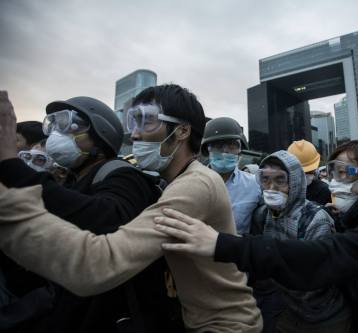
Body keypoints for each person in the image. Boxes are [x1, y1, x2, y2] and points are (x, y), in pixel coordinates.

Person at [0, 86, 263, 332]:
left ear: (182, 131)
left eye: (146, 120)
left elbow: (101, 263)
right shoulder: (174, 181)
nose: (135, 133)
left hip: (225, 325)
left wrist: (10, 176)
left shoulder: (197, 184)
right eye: (132, 122)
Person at [155, 140, 358, 333]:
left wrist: (222, 244)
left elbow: (322, 258)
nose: (333, 181)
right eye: (331, 171)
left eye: (342, 172)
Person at [0, 92, 178, 332]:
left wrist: (13, 167)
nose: (56, 135)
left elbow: (108, 218)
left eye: (68, 126)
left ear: (99, 134)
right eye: (52, 126)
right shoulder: (73, 180)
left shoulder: (122, 174)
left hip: (111, 315)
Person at [251, 150, 350, 333]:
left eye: (280, 180)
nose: (271, 187)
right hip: (287, 310)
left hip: (323, 314)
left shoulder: (315, 218)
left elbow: (317, 277)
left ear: (295, 182)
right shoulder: (262, 215)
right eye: (265, 179)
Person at [201, 117, 261, 235]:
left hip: (236, 251)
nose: (225, 151)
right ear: (208, 149)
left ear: (240, 149)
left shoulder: (254, 185)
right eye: (218, 146)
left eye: (231, 145)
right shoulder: (192, 182)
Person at [287, 139, 331, 205]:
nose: (305, 175)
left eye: (308, 171)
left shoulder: (324, 190)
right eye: (302, 172)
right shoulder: (324, 189)